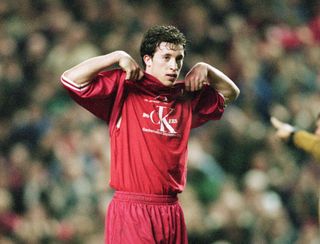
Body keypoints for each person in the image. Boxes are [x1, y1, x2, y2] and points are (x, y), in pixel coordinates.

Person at [60, 25, 240, 244]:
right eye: (166, 57)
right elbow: (70, 79)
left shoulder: (185, 96)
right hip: (132, 210)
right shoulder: (125, 86)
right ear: (148, 59)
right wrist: (116, 56)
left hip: (171, 211)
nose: (174, 66)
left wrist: (206, 69)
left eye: (179, 59)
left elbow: (231, 92)